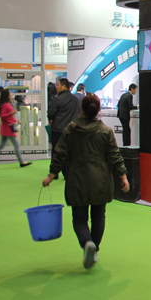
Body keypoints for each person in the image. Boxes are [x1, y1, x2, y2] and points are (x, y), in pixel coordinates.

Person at [42, 94, 129, 269]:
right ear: (98, 110)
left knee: (79, 219)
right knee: (99, 216)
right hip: (100, 180)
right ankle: (94, 247)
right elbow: (114, 156)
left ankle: (87, 243)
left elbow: (60, 154)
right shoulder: (105, 131)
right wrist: (123, 177)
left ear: (81, 109)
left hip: (77, 179)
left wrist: (51, 175)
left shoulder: (71, 129)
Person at [0, 89, 32, 169]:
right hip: (8, 128)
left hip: (6, 127)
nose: (11, 95)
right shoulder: (5, 105)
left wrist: (15, 120)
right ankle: (21, 162)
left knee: (1, 145)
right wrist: (11, 113)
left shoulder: (5, 104)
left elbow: (7, 116)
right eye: (10, 93)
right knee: (16, 145)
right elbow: (3, 116)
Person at [48, 78, 81, 177]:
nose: (56, 87)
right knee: (69, 151)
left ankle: (54, 172)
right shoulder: (75, 100)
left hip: (58, 129)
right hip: (71, 130)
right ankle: (67, 172)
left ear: (63, 86)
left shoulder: (57, 99)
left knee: (56, 151)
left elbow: (50, 114)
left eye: (58, 85)